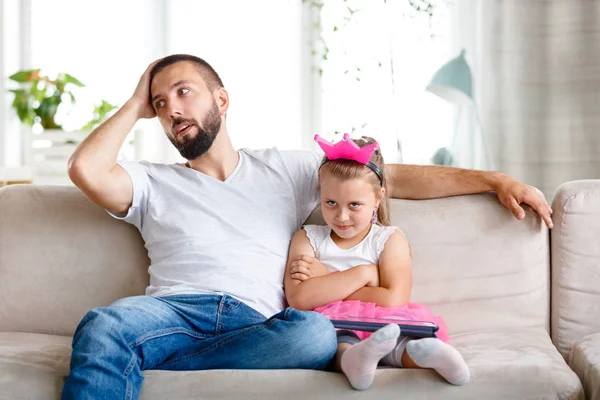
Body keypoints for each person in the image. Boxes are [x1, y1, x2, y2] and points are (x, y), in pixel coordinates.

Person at [62, 54, 553, 399]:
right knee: (106, 325)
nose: (172, 110)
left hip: (257, 324)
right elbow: (86, 170)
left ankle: (153, 362)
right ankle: (152, 353)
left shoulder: (285, 168)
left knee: (315, 335)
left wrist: (493, 179)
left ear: (222, 99)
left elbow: (386, 176)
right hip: (171, 316)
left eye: (183, 92)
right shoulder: (151, 180)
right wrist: (133, 103)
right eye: (161, 103)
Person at [284, 134, 469, 390]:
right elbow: (300, 299)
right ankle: (355, 360)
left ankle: (427, 355)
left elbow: (394, 299)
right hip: (328, 326)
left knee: (399, 335)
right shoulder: (307, 238)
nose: (341, 216)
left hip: (385, 320)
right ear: (320, 196)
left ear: (377, 199)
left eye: (355, 205)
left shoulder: (388, 239)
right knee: (336, 338)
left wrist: (326, 279)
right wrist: (364, 273)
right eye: (330, 203)